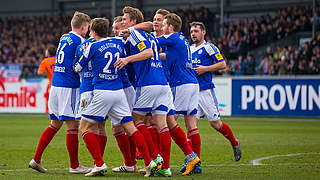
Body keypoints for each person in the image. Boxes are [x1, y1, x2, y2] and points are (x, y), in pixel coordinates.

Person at [73, 17, 158, 177]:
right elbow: (146, 27)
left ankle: (99, 163)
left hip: (102, 92)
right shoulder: (118, 41)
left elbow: (78, 67)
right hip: (119, 92)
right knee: (130, 128)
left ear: (92, 31)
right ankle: (149, 162)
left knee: (84, 127)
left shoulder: (92, 46)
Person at [29, 11, 91, 174]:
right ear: (83, 26)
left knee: (55, 124)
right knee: (73, 125)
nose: (87, 31)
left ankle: (36, 159)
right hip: (69, 86)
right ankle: (75, 166)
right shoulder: (80, 40)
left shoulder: (64, 37)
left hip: (55, 85)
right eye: (87, 28)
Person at [114, 5, 171, 176]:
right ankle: (165, 168)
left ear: (133, 21)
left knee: (135, 119)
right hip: (161, 83)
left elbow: (147, 53)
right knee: (161, 124)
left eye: (124, 19)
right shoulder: (147, 35)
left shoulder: (135, 33)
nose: (122, 21)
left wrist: (127, 59)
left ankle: (155, 156)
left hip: (148, 83)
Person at [189, 21, 242, 162]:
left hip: (205, 92)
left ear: (203, 32)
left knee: (216, 124)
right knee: (191, 127)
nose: (193, 34)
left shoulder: (209, 47)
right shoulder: (189, 49)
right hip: (193, 92)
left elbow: (223, 64)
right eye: (192, 31)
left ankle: (234, 143)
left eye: (196, 31)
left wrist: (205, 68)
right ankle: (195, 161)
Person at [156, 13, 201, 176]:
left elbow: (153, 42)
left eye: (164, 24)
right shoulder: (181, 39)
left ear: (171, 27)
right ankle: (195, 162)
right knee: (191, 125)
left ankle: (172, 160)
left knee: (167, 123)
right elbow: (168, 56)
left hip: (181, 84)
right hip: (192, 83)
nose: (161, 27)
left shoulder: (173, 37)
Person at [37, 46, 57, 113]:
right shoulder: (59, 59)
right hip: (62, 84)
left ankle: (52, 116)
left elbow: (40, 73)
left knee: (50, 102)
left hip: (52, 85)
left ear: (48, 53)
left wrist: (47, 71)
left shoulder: (45, 61)